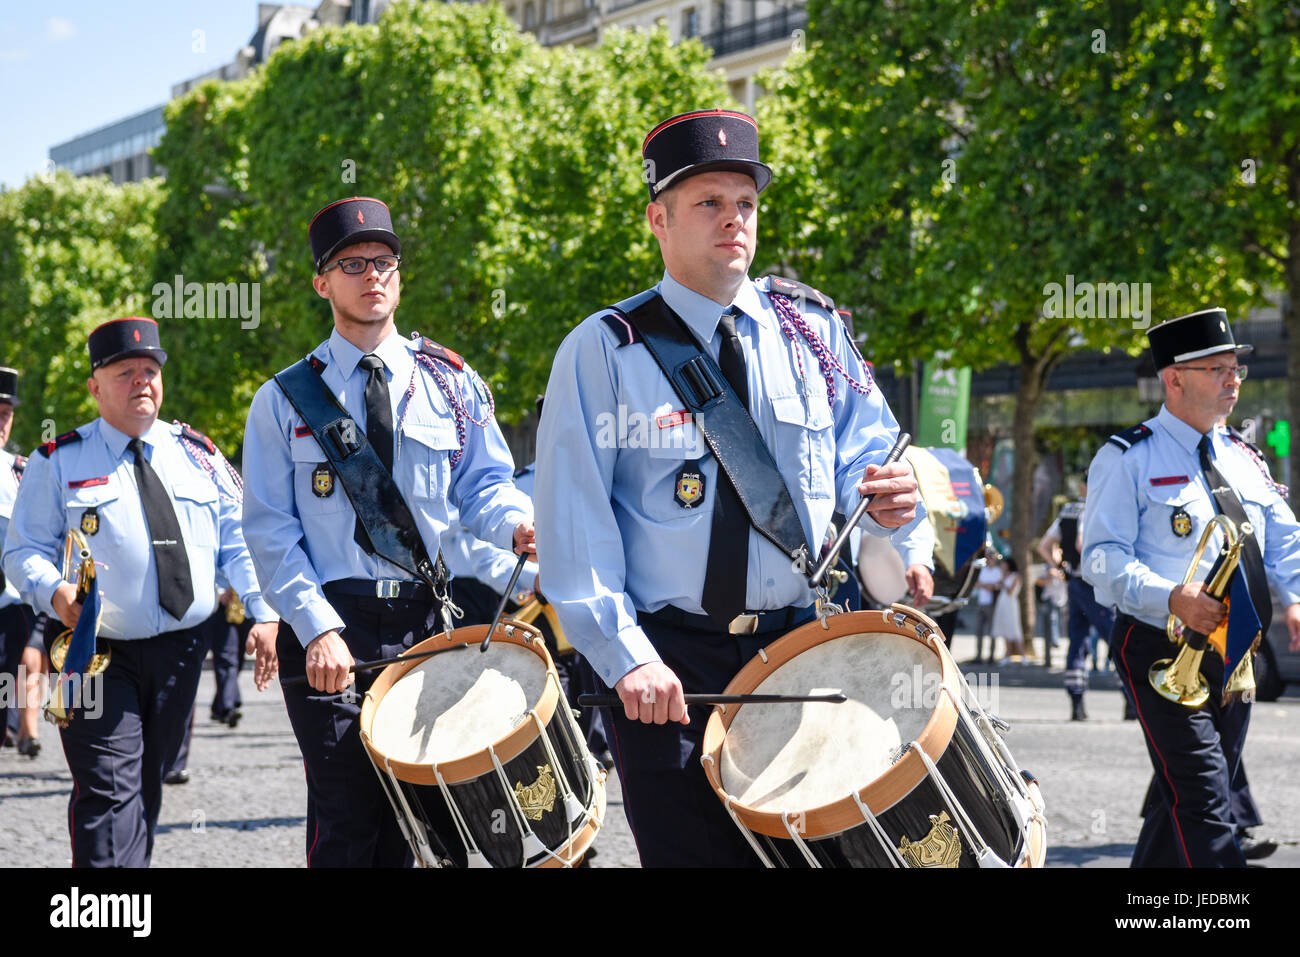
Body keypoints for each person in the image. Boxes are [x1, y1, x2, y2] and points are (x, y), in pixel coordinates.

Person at [534, 109, 920, 867]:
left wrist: (895, 507)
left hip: (802, 647)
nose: (732, 220)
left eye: (744, 203)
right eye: (708, 202)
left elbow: (869, 450)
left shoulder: (814, 331)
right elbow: (574, 524)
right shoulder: (604, 349)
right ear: (658, 219)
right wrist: (626, 656)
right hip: (666, 665)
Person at [241, 196, 534, 867]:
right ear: (322, 281)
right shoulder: (283, 399)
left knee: (427, 817)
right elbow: (269, 530)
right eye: (352, 263)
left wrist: (518, 525)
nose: (372, 274)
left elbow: (484, 488)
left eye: (384, 261)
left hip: (432, 622)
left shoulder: (452, 384)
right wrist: (316, 627)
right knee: (348, 819)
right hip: (332, 625)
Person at [1, 318, 279, 867]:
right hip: (92, 650)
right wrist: (55, 591)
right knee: (106, 789)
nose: (141, 382)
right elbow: (22, 550)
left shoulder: (198, 454)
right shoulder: (59, 461)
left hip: (181, 649)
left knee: (146, 784)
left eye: (150, 371)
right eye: (125, 372)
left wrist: (263, 613)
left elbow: (238, 544)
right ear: (95, 387)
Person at [1082, 307, 1300, 867]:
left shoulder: (1243, 456)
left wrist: (1296, 596)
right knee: (1206, 797)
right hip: (1163, 645)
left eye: (1236, 369)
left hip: (1236, 651)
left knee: (1185, 797)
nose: (1233, 380)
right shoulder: (1127, 456)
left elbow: (1283, 536)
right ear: (1173, 379)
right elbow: (1100, 560)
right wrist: (1171, 597)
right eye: (1217, 369)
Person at [1039, 474, 1120, 720]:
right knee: (1115, 637)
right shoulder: (1097, 508)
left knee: (1078, 640)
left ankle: (1077, 701)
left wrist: (1059, 565)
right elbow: (1080, 543)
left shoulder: (1067, 511)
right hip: (1095, 584)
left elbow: (1044, 545)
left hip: (1074, 581)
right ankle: (1130, 699)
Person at [0, 366, 44, 757]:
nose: (1, 423)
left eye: (6, 414)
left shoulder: (24, 472)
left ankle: (23, 729)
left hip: (12, 610)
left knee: (28, 663)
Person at [971, 548, 1003, 664]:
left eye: (992, 558)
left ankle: (991, 656)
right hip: (981, 602)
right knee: (979, 630)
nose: (990, 560)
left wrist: (985, 585)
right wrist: (987, 586)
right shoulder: (982, 571)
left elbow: (998, 585)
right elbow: (976, 583)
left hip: (992, 604)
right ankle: (978, 656)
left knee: (992, 630)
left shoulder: (997, 571)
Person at [990, 556, 1023, 664]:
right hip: (1002, 603)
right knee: (1005, 630)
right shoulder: (1003, 576)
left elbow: (1011, 591)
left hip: (1011, 604)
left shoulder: (1015, 577)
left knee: (1014, 628)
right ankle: (1007, 655)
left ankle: (1023, 655)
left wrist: (1003, 582)